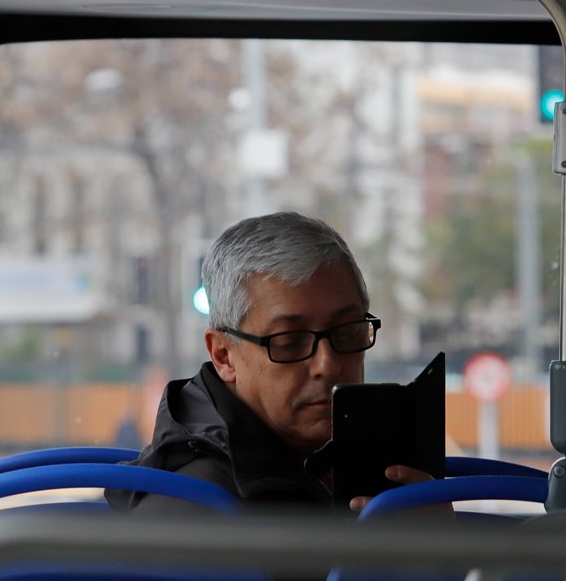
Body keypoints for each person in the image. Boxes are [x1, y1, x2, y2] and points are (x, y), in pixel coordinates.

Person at [106, 211, 432, 516]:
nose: (328, 365)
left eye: (347, 334)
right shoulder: (193, 508)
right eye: (289, 341)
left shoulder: (368, 464)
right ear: (223, 355)